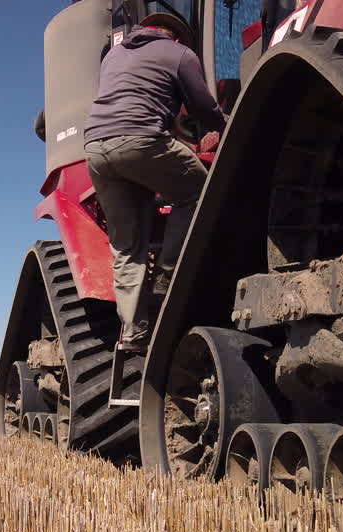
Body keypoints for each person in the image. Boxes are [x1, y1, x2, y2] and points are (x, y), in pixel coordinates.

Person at [84, 11, 227, 353]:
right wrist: (226, 124)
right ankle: (167, 272)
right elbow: (204, 109)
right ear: (176, 37)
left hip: (96, 149)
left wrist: (186, 145)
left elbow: (147, 109)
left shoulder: (115, 56)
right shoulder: (179, 54)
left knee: (127, 246)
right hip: (140, 142)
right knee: (196, 192)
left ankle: (132, 333)